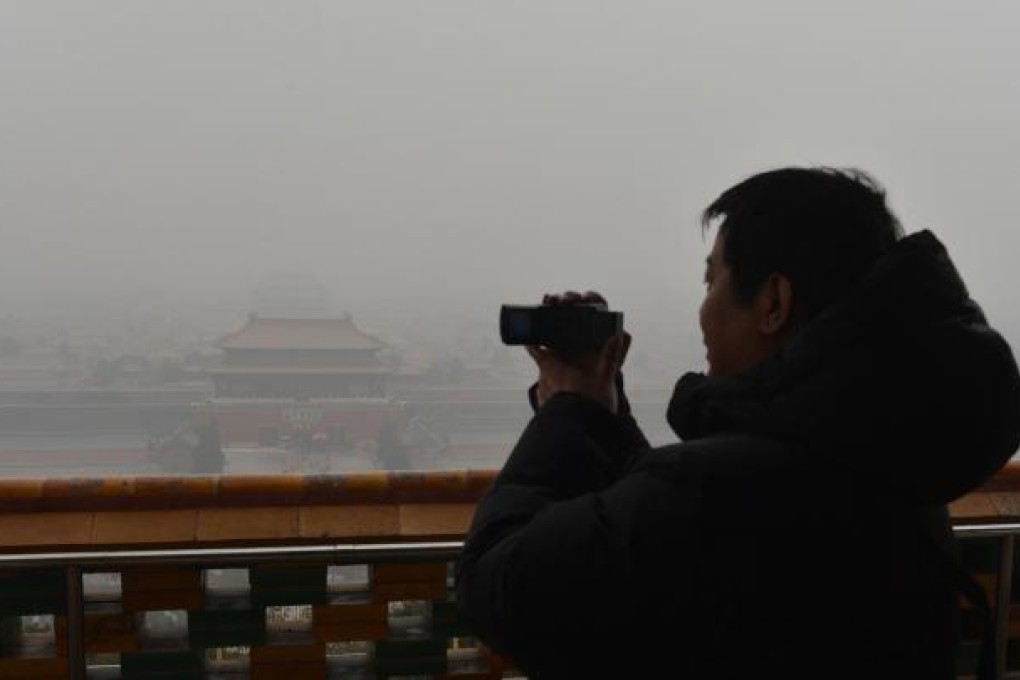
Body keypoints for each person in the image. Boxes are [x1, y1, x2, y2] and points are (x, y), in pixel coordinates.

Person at [455, 167, 1020, 678]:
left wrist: (568, 411)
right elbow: (666, 524)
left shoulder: (719, 493)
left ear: (773, 301)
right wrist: (601, 411)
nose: (703, 310)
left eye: (711, 282)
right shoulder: (892, 457)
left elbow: (499, 586)